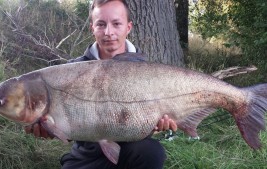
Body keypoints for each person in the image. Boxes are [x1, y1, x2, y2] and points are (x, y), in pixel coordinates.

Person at [25, 0, 177, 168]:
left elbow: (154, 120)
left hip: (134, 150)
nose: (108, 32)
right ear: (92, 28)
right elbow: (67, 129)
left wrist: (161, 123)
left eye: (116, 23)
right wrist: (50, 129)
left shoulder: (147, 72)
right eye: (101, 24)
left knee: (152, 152)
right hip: (88, 156)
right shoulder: (71, 71)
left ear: (128, 27)